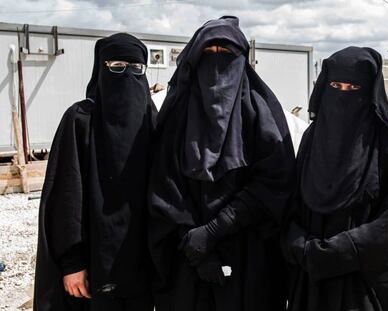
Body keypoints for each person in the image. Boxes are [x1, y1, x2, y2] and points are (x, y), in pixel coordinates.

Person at [148, 16, 296, 311]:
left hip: (248, 253)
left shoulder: (260, 111)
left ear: (242, 60)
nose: (217, 63)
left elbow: (276, 181)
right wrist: (196, 246)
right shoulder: (177, 112)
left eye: (226, 54)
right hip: (187, 252)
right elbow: (164, 181)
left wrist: (217, 228)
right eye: (209, 53)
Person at [284, 46, 388, 311]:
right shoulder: (312, 139)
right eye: (335, 85)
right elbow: (292, 199)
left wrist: (339, 250)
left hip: (360, 283)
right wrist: (299, 243)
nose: (343, 94)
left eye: (353, 88)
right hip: (312, 279)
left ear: (369, 92)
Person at [34, 33, 155, 311]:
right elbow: (66, 197)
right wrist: (72, 263)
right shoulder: (81, 120)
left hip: (142, 266)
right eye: (117, 67)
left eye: (137, 69)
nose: (127, 74)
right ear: (101, 68)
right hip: (92, 267)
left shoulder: (151, 120)